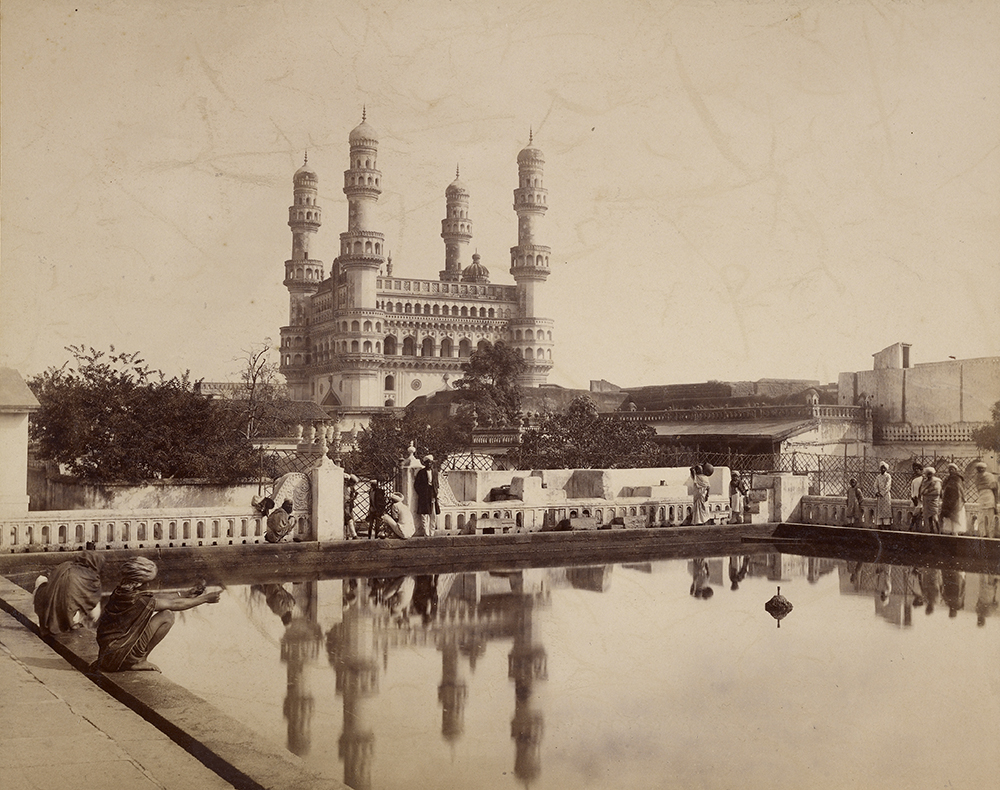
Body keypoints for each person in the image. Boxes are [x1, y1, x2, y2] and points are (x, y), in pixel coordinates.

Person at [94, 557, 220, 672]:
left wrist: (185, 594)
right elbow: (175, 605)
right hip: (119, 653)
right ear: (138, 583)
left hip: (109, 652)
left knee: (164, 613)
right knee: (167, 616)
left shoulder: (122, 591)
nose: (149, 585)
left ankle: (135, 659)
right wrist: (205, 599)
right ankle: (139, 660)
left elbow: (156, 597)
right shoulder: (140, 600)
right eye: (147, 582)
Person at [33, 550, 105, 635]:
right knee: (93, 604)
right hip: (70, 619)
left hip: (45, 612)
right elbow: (94, 616)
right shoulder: (92, 579)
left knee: (41, 579)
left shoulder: (65, 565)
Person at [413, 454, 440, 537]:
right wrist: (422, 493)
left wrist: (436, 493)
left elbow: (437, 483)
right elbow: (416, 485)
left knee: (433, 514)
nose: (429, 465)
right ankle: (426, 533)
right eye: (427, 463)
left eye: (430, 463)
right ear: (425, 464)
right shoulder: (421, 473)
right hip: (424, 495)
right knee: (424, 514)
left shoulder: (435, 472)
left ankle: (432, 532)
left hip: (433, 494)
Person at [971, 462, 999, 537]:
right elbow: (995, 488)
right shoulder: (988, 476)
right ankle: (988, 534)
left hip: (984, 496)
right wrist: (996, 500)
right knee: (987, 517)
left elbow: (978, 488)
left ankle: (985, 533)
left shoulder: (978, 477)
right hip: (987, 496)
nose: (980, 470)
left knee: (984, 517)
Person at [941, 463, 966, 535]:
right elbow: (944, 487)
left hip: (957, 499)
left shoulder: (958, 478)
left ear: (955, 470)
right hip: (948, 499)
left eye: (952, 469)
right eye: (949, 469)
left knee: (956, 514)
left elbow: (960, 489)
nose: (951, 471)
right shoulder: (947, 478)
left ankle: (956, 531)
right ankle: (951, 531)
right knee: (949, 515)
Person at [919, 467, 943, 534]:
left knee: (935, 516)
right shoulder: (925, 481)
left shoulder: (936, 481)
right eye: (928, 474)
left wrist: (928, 491)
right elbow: (921, 491)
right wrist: (926, 492)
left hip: (933, 501)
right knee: (928, 517)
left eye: (930, 474)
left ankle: (939, 531)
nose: (929, 475)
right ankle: (931, 530)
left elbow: (937, 492)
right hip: (926, 501)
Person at [874, 462, 893, 528]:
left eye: (884, 468)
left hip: (886, 495)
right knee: (880, 510)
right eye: (881, 468)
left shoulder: (888, 476)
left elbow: (888, 486)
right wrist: (877, 492)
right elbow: (875, 485)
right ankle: (879, 524)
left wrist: (882, 493)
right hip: (879, 496)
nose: (882, 469)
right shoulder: (878, 477)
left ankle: (886, 524)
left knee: (886, 510)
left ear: (886, 469)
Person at [343, 474, 360, 539]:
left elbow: (352, 497)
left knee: (349, 520)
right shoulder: (343, 486)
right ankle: (353, 535)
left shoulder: (350, 488)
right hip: (344, 504)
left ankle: (348, 535)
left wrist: (354, 497)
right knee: (349, 519)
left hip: (348, 505)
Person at [908, 462, 924, 531]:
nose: (916, 471)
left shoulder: (924, 479)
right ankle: (913, 528)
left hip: (922, 500)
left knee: (918, 515)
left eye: (918, 469)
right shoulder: (914, 480)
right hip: (916, 500)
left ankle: (913, 527)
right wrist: (913, 498)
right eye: (915, 470)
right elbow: (912, 490)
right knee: (916, 514)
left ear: (921, 470)